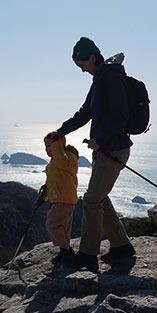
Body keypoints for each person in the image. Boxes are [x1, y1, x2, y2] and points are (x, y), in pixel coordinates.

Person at [51, 36, 136, 272]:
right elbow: (85, 112)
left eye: (82, 65)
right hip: (105, 149)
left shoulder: (111, 77)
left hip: (114, 149)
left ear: (92, 57)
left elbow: (120, 115)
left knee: (91, 200)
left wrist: (100, 138)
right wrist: (61, 131)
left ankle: (88, 255)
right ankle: (121, 247)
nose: (83, 70)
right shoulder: (100, 78)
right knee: (99, 197)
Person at [39, 131, 79, 263]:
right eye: (46, 147)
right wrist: (43, 197)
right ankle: (66, 249)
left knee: (52, 224)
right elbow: (51, 183)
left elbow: (62, 162)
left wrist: (56, 144)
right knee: (63, 227)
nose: (47, 150)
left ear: (58, 145)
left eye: (50, 146)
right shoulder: (55, 161)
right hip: (63, 198)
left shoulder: (68, 157)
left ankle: (65, 250)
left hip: (64, 199)